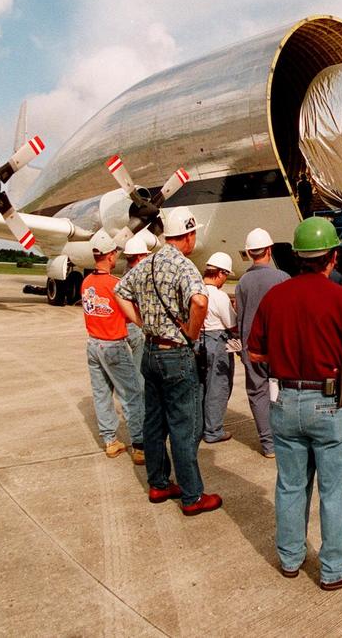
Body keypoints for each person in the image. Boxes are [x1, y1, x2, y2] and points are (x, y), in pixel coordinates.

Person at [247, 216, 342, 590]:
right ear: (332, 257)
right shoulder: (341, 297)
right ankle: (334, 569)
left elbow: (255, 355)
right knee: (334, 490)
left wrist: (286, 357)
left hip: (284, 401)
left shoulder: (274, 297)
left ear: (297, 256)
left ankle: (289, 559)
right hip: (329, 400)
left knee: (290, 485)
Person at [115, 207, 221, 516]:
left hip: (150, 352)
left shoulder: (146, 264)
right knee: (184, 428)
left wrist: (141, 322)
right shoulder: (185, 267)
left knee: (154, 421)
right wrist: (191, 330)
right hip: (175, 353)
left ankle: (159, 483)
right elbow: (200, 301)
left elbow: (120, 291)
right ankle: (192, 496)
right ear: (187, 236)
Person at [80, 230, 145, 464]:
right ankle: (139, 445)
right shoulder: (115, 285)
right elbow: (130, 317)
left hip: (93, 345)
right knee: (132, 394)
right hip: (113, 346)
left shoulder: (86, 283)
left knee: (101, 393)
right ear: (109, 256)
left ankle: (110, 441)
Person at [234, 227, 288, 458]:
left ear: (249, 253)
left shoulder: (243, 282)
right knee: (284, 391)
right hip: (279, 348)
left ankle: (268, 445)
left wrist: (241, 346)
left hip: (252, 348)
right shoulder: (282, 278)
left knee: (257, 393)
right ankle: (285, 439)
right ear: (269, 249)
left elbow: (240, 316)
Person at [198, 251, 237, 445]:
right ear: (220, 273)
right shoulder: (219, 296)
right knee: (218, 387)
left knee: (200, 386)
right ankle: (213, 430)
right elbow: (232, 324)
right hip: (217, 341)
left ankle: (199, 426)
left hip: (198, 341)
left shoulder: (195, 290)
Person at [121, 235, 151, 363]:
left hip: (125, 324)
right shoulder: (140, 275)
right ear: (139, 257)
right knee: (139, 366)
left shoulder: (126, 273)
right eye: (145, 255)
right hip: (136, 323)